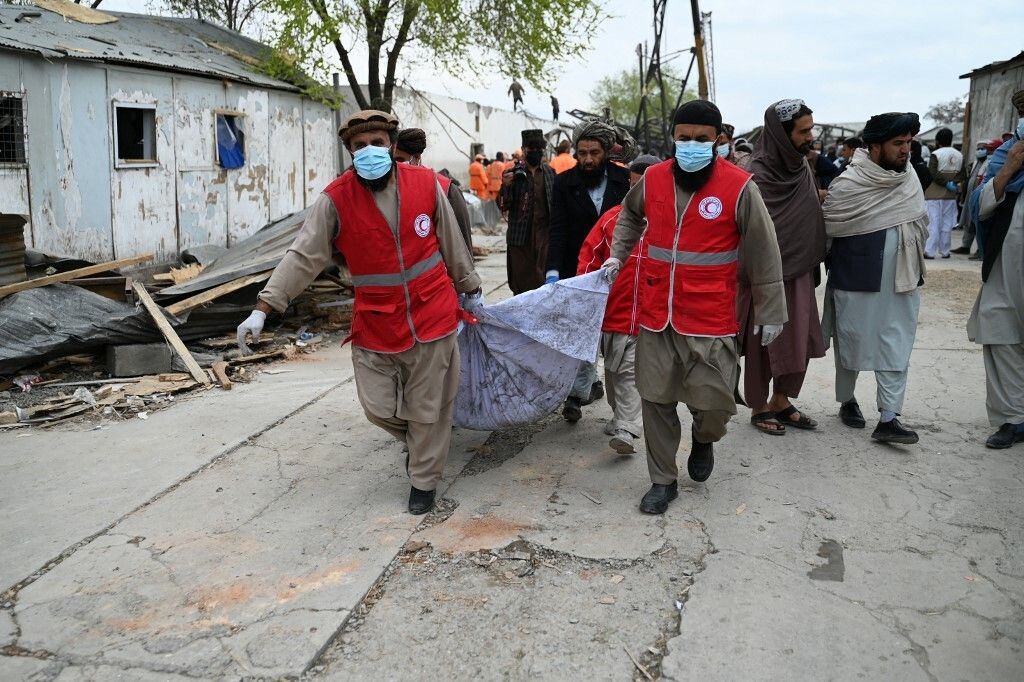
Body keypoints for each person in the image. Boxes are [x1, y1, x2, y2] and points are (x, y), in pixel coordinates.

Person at [236, 110, 481, 515]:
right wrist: (264, 307)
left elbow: (451, 240)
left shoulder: (426, 184)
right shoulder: (336, 199)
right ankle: (422, 444)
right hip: (376, 319)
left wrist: (470, 287)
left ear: (392, 145)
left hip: (432, 311)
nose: (369, 151)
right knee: (378, 408)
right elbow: (303, 255)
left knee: (428, 407)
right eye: (359, 146)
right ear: (349, 151)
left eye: (377, 143)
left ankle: (423, 480)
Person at [607, 100, 787, 514]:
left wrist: (772, 309)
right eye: (684, 138)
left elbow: (764, 250)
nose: (691, 145)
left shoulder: (739, 186)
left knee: (714, 405)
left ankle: (704, 439)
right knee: (655, 400)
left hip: (709, 318)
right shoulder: (651, 179)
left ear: (717, 140)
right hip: (656, 314)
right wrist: (619, 254)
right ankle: (662, 480)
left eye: (701, 140)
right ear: (673, 137)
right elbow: (630, 217)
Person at [821, 112, 928, 445]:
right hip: (857, 276)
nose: (905, 149)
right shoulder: (848, 183)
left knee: (897, 346)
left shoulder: (909, 178)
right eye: (898, 143)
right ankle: (847, 401)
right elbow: (829, 227)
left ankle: (889, 417)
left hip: (903, 276)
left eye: (909, 142)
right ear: (875, 146)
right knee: (850, 343)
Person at [742, 100, 827, 435]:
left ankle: (781, 399)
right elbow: (752, 231)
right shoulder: (757, 174)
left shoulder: (800, 165)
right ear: (781, 133)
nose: (811, 136)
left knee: (798, 338)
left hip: (800, 270)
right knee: (763, 341)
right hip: (766, 277)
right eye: (803, 131)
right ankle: (759, 405)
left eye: (811, 128)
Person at [545, 119, 631, 424]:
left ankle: (620, 408)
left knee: (616, 339)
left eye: (594, 152)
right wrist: (554, 270)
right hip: (577, 272)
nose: (588, 159)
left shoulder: (624, 180)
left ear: (606, 152)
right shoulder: (564, 182)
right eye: (582, 153)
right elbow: (557, 230)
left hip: (617, 272)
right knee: (578, 334)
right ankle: (576, 395)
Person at [577, 154, 660, 453]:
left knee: (628, 372)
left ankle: (628, 427)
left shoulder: (667, 223)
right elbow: (589, 256)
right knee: (611, 371)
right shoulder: (612, 218)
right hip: (613, 312)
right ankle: (619, 415)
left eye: (645, 187)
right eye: (634, 186)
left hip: (648, 317)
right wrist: (586, 292)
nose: (638, 194)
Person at [967, 89, 1024, 449]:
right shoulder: (1010, 151)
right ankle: (1013, 418)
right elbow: (981, 203)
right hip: (1008, 261)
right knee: (1000, 330)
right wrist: (1009, 169)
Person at [395, 127, 473, 251]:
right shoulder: (380, 192)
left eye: (399, 160)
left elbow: (463, 250)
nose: (395, 167)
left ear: (416, 158)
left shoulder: (447, 190)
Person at [498, 129, 554, 294]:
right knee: (521, 281)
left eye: (539, 149)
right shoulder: (513, 174)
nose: (536, 152)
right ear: (524, 150)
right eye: (531, 149)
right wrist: (505, 187)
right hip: (520, 237)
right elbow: (502, 205)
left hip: (544, 236)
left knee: (543, 280)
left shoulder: (550, 174)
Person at [952, 138, 1001, 258]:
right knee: (968, 222)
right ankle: (965, 246)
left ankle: (980, 249)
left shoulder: (990, 162)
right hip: (971, 197)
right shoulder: (974, 163)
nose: (981, 151)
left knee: (979, 222)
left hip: (982, 197)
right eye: (978, 149)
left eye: (983, 149)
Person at [924, 127, 965, 259]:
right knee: (947, 223)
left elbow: (932, 172)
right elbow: (963, 174)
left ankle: (930, 251)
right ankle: (945, 251)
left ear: (937, 140)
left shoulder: (936, 154)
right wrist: (952, 182)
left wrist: (944, 182)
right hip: (950, 195)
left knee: (934, 222)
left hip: (934, 194)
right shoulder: (959, 155)